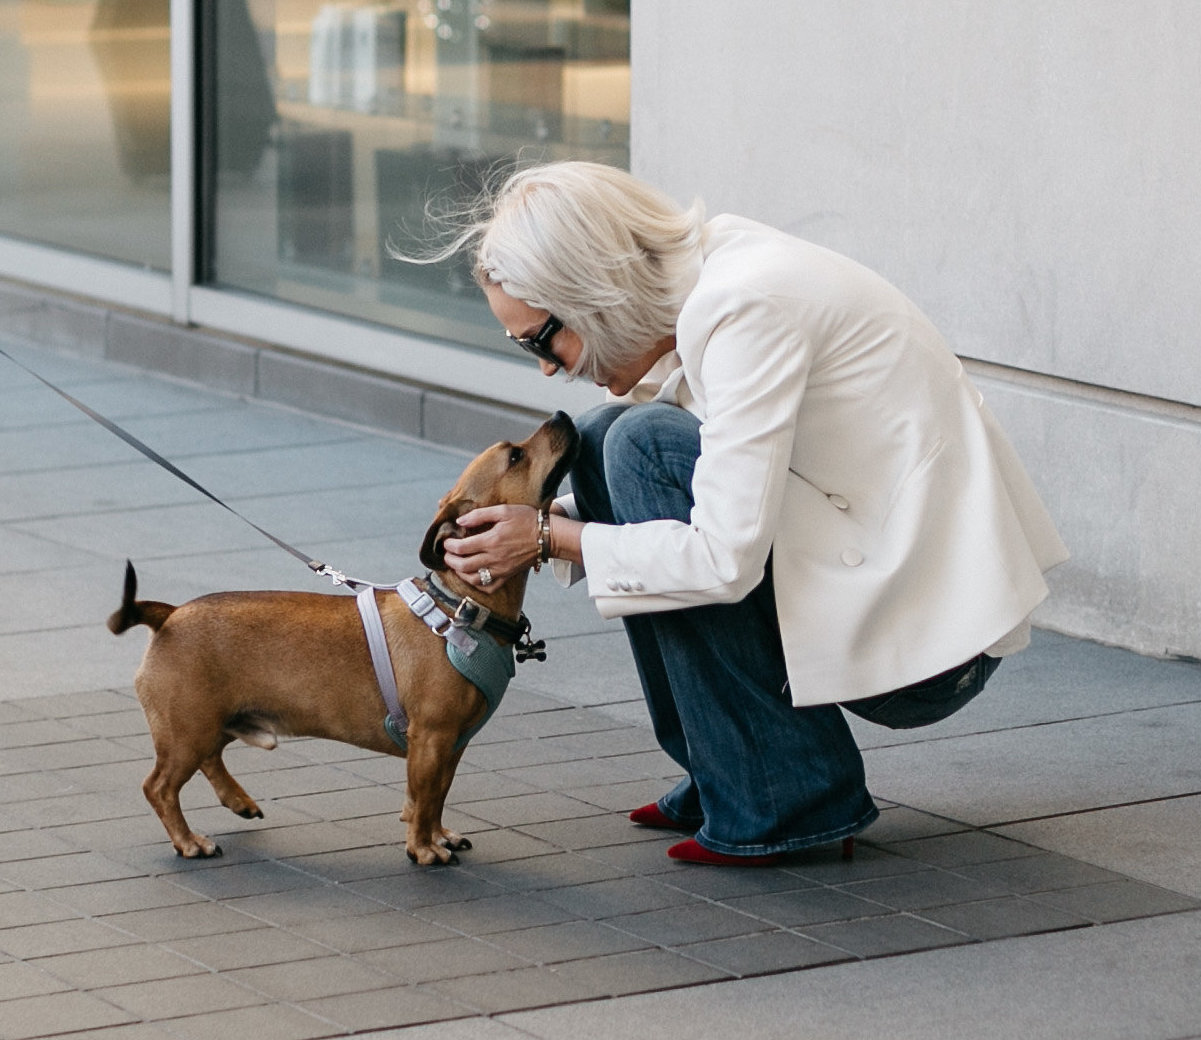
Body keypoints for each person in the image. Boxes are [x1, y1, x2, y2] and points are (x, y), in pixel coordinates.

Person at [432, 161, 1069, 867]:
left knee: (638, 442)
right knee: (612, 437)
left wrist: (551, 535)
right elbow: (731, 479)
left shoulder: (744, 303)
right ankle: (724, 767)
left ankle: (786, 794)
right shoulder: (721, 274)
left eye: (540, 339)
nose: (546, 367)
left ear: (592, 291)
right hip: (873, 571)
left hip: (931, 644)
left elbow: (723, 556)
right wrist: (548, 527)